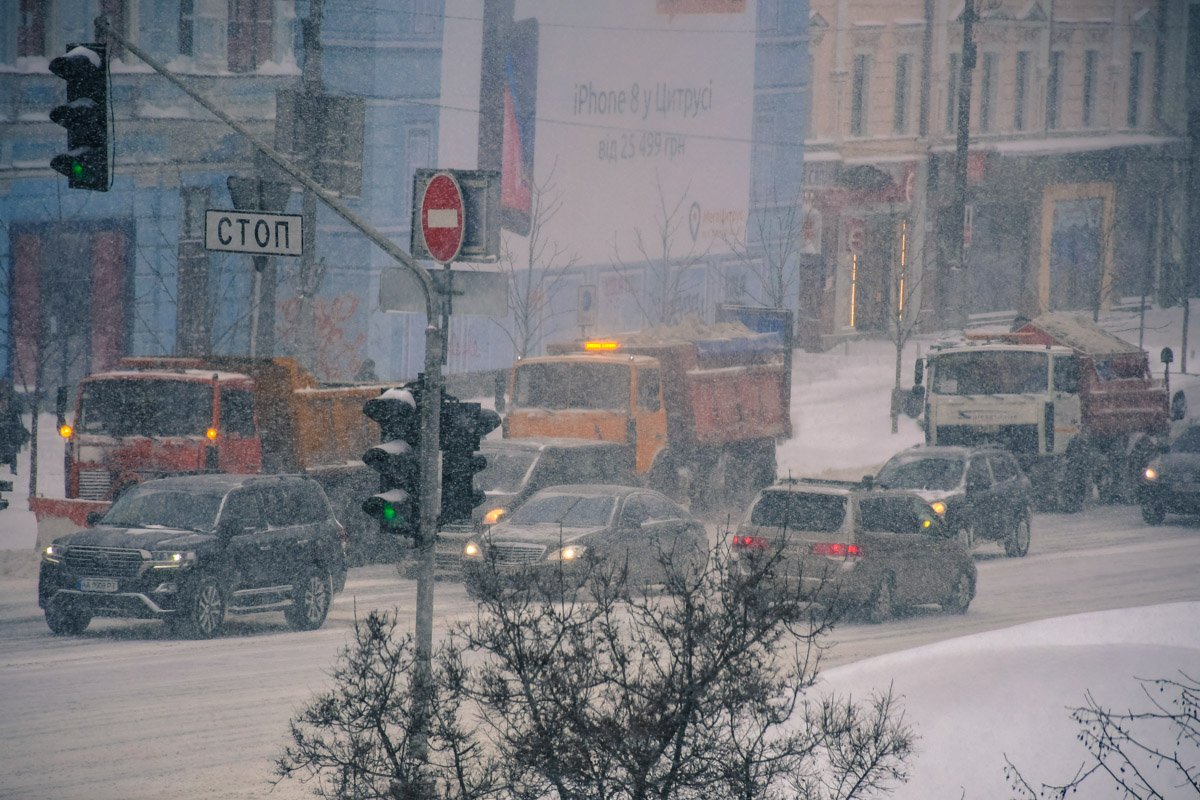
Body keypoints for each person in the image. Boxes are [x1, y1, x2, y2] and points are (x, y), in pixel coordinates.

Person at [0, 381, 29, 475]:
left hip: (9, 446)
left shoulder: (13, 414)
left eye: (5, 400)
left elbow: (18, 428)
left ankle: (13, 472)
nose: (3, 403)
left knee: (11, 453)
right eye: (2, 401)